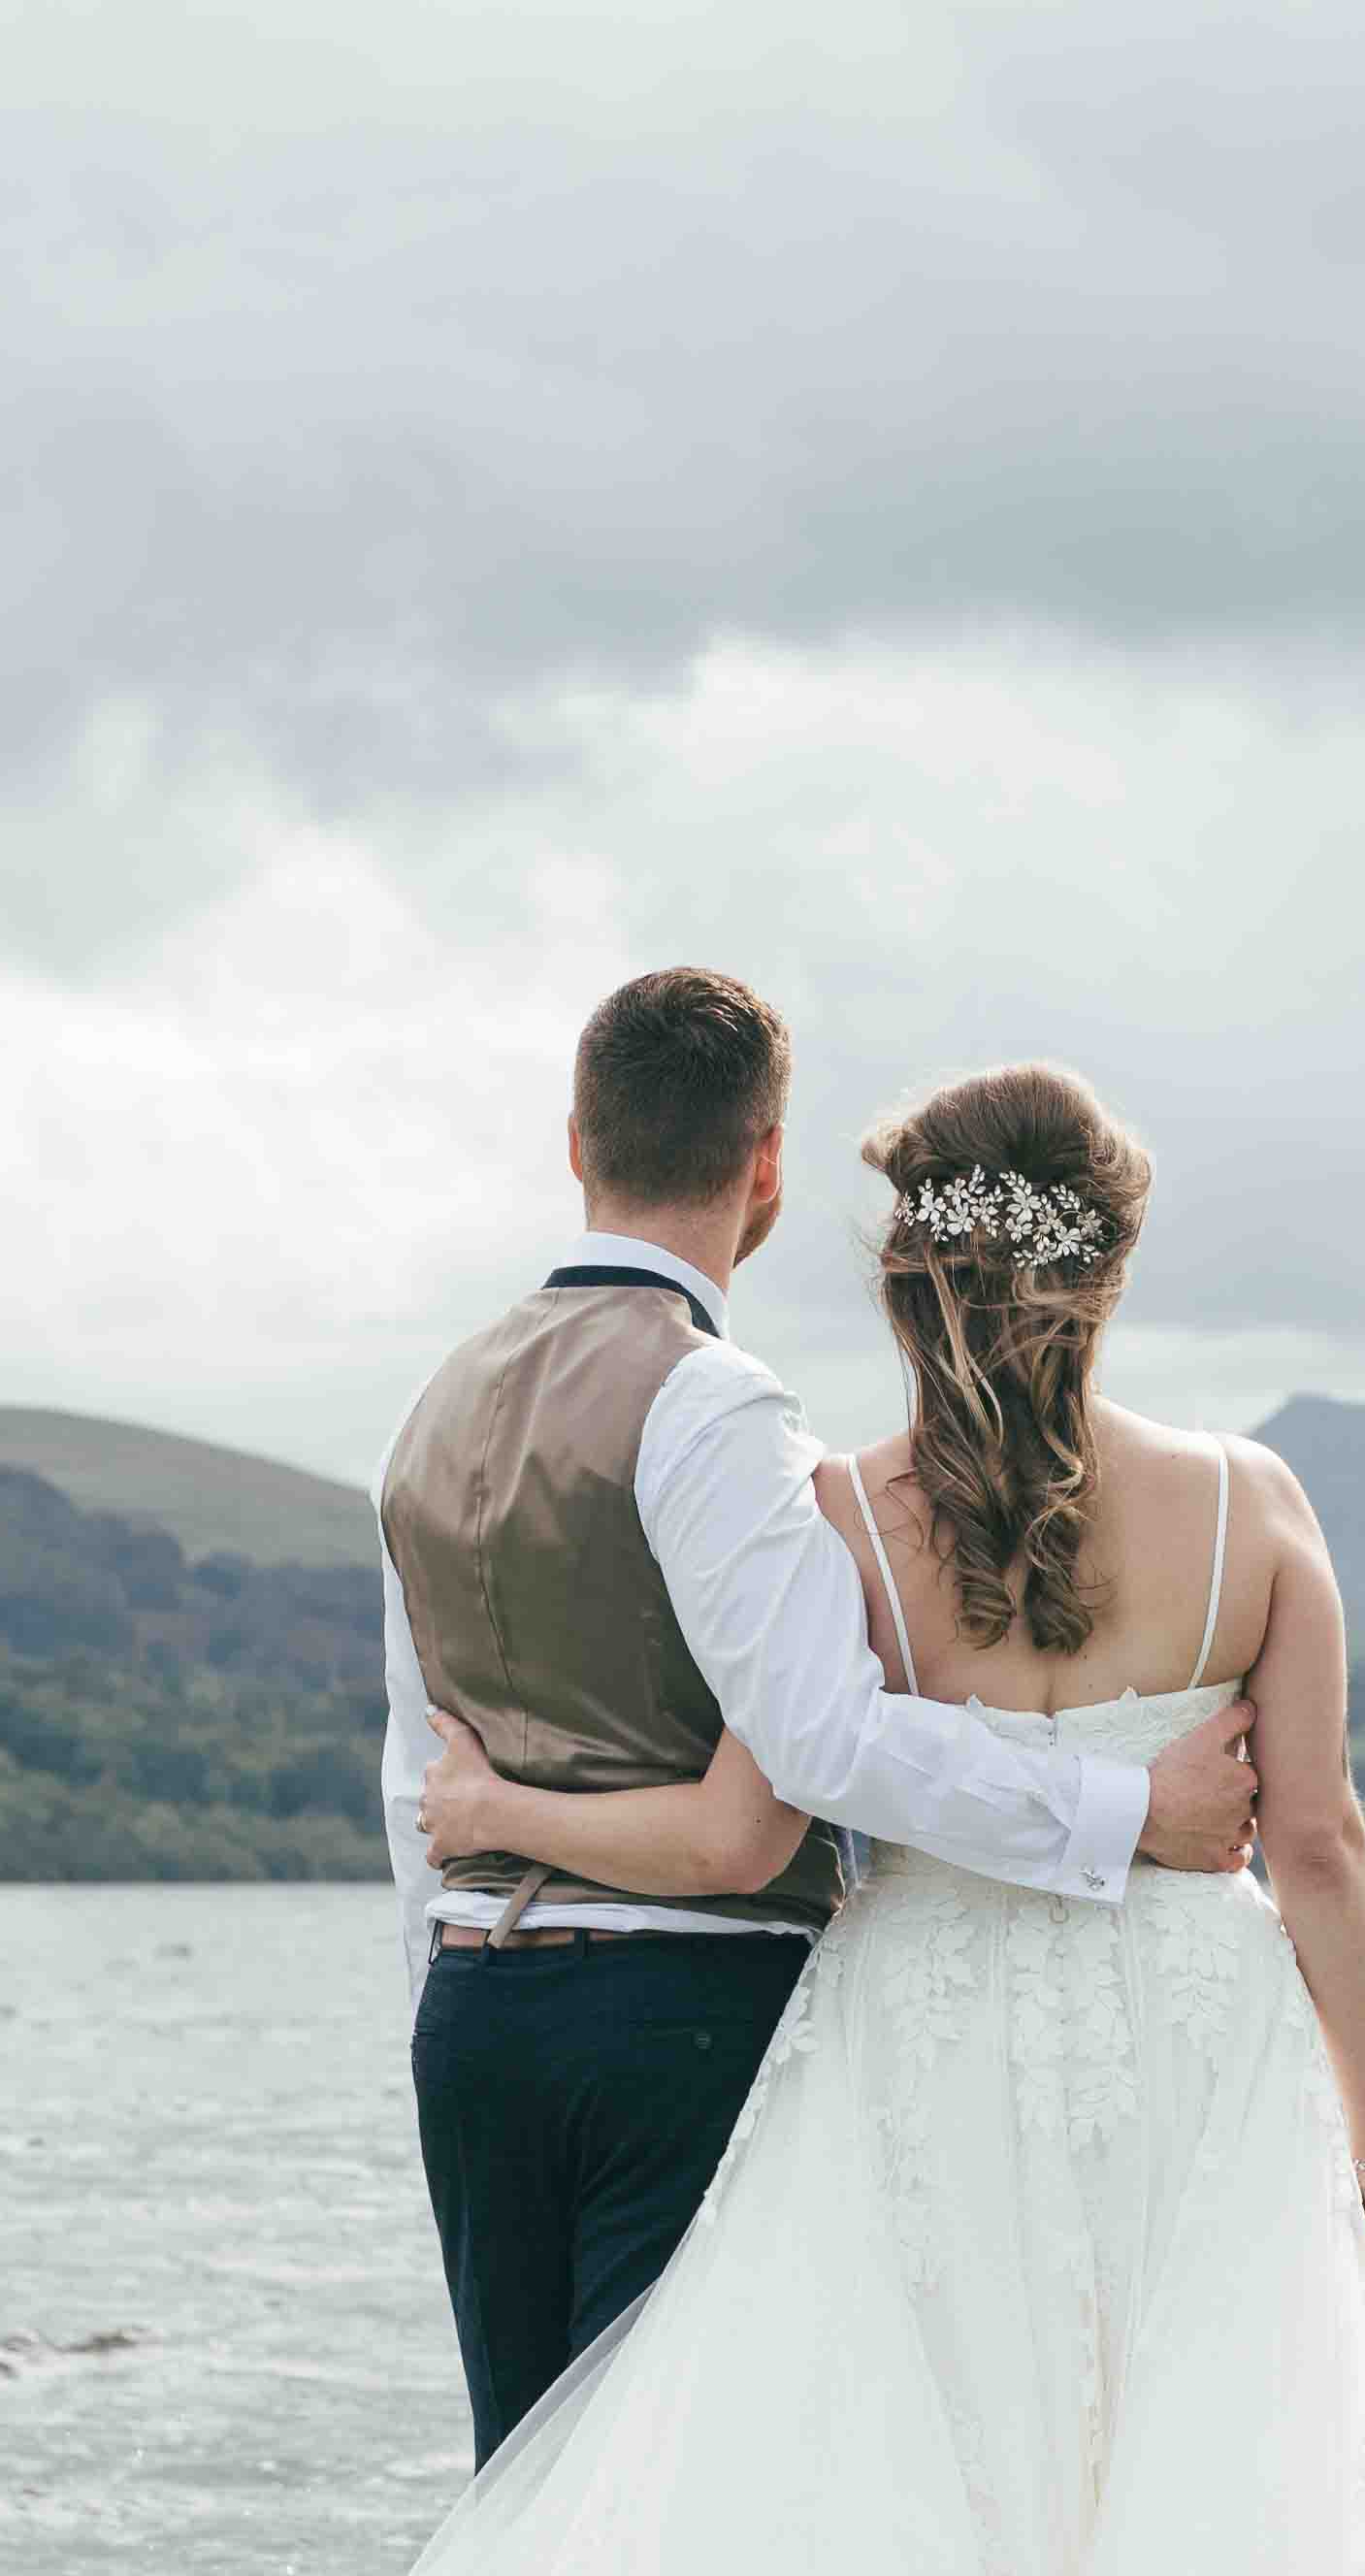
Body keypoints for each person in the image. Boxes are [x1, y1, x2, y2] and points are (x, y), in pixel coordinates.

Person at [41, 1056, 1365, 2576]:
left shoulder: (840, 1517)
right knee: (1176, 2564)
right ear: (1111, 1262)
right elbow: (1321, 1849)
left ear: (905, 1267)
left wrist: (490, 1811)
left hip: (908, 2065)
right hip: (1194, 2083)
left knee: (884, 2557)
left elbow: (763, 1798)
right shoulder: (1256, 1507)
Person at [361, 965, 1262, 2461]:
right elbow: (823, 1741)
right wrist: (1124, 1809)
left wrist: (448, 2002)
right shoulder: (706, 1401)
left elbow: (419, 1772)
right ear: (766, 1163)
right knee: (652, 2516)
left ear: (573, 1142)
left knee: (516, 2537)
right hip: (673, 2031)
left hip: (475, 2020)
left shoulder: (430, 1405)